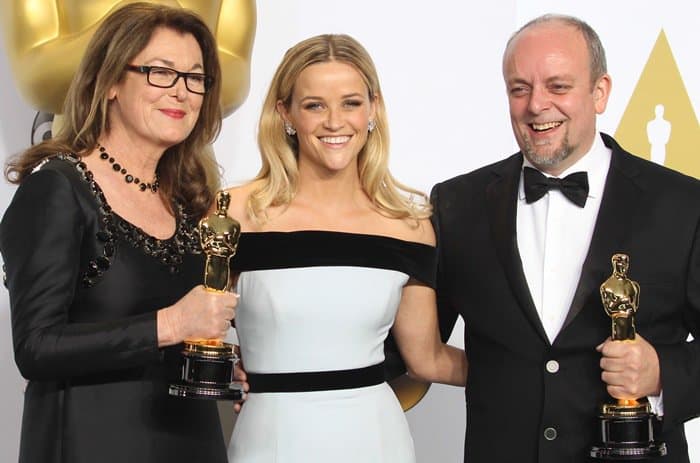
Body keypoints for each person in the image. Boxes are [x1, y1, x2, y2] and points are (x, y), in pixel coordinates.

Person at [431, 13, 700, 463]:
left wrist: (662, 373)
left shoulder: (683, 204)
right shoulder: (457, 204)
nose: (536, 105)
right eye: (519, 88)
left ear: (600, 92)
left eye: (558, 86)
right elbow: (409, 344)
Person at [0, 3, 238, 462]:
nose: (182, 92)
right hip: (91, 444)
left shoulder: (190, 201)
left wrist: (222, 365)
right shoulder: (57, 189)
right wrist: (170, 324)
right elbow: (35, 347)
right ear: (110, 81)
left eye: (195, 78)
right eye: (159, 72)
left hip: (193, 444)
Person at [222, 34, 467, 462]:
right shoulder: (234, 214)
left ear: (372, 109)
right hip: (270, 440)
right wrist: (225, 367)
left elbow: (426, 359)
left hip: (376, 440)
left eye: (351, 103)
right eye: (315, 104)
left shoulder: (408, 226)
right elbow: (190, 328)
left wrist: (535, 370)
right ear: (286, 114)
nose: (335, 121)